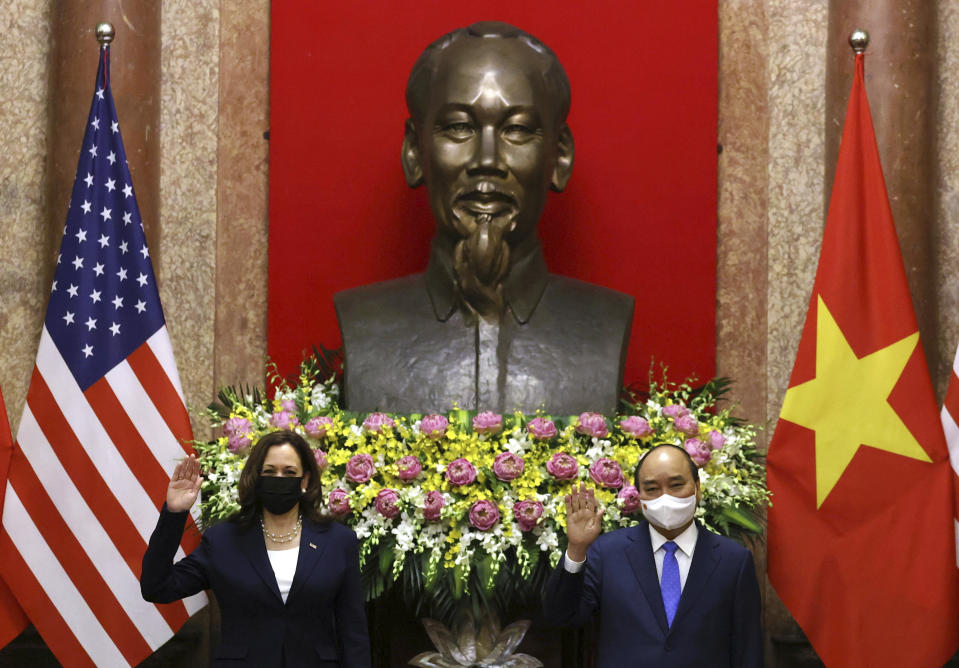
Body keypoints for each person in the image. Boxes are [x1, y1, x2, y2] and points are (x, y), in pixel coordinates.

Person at [334, 21, 633, 416]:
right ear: (413, 152)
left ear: (560, 157)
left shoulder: (605, 323)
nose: (487, 161)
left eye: (517, 130)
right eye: (459, 127)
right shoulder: (365, 322)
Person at [140, 430, 371, 667]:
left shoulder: (338, 541)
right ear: (257, 477)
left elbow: (353, 632)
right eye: (270, 471)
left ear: (305, 480)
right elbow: (157, 587)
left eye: (289, 472)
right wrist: (175, 513)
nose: (279, 478)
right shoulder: (223, 540)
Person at [542, 444, 763, 667]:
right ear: (639, 496)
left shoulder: (734, 560)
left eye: (676, 485)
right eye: (652, 489)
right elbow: (561, 616)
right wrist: (577, 548)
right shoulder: (608, 553)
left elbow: (748, 650)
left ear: (697, 488)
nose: (665, 497)